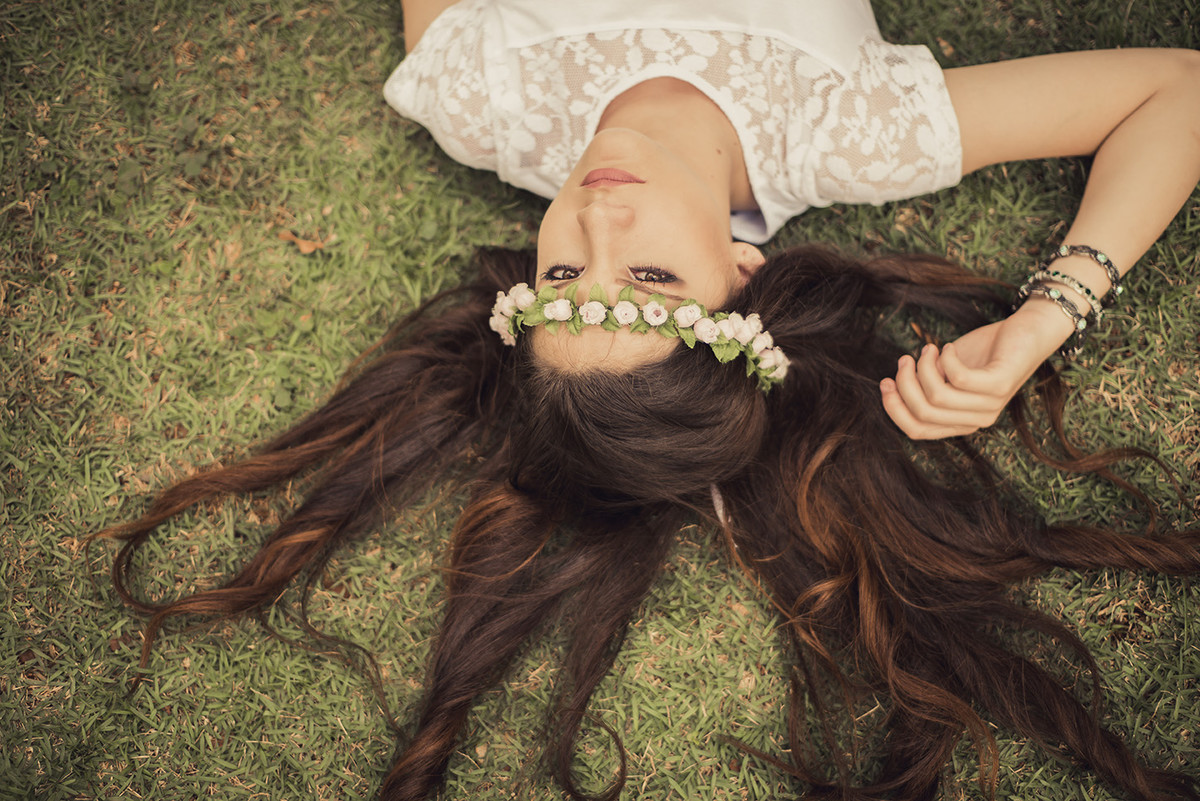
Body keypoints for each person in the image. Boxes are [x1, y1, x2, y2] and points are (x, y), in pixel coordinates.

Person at [95, 1, 1200, 799]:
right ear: (747, 275)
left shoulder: (476, 97)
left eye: (567, 282)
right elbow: (1178, 87)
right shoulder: (845, 129)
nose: (600, 228)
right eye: (657, 283)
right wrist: (1049, 317)